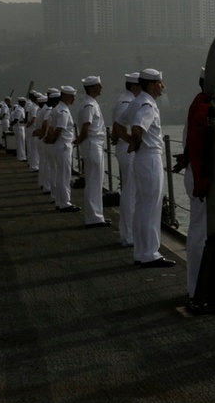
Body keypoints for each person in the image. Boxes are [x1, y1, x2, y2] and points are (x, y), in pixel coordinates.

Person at [176, 68, 215, 304]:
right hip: (201, 178)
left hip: (199, 175)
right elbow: (201, 150)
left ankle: (199, 286)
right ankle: (198, 288)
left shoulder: (199, 106)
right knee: (199, 233)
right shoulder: (205, 111)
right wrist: (204, 182)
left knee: (198, 231)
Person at [128, 68, 174, 267]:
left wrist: (133, 143)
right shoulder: (147, 104)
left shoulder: (137, 101)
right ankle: (150, 253)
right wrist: (136, 142)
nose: (162, 86)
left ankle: (140, 252)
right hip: (150, 157)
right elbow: (138, 127)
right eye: (160, 83)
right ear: (152, 85)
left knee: (141, 207)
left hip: (142, 158)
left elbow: (121, 122)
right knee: (151, 207)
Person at [74, 76, 111, 228]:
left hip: (94, 144)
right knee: (94, 181)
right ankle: (93, 217)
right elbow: (86, 127)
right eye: (98, 86)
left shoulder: (90, 103)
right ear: (90, 88)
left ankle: (97, 215)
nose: (101, 88)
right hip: (92, 144)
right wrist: (78, 140)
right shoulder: (89, 105)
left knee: (95, 181)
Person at [112, 73, 142, 247]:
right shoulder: (127, 101)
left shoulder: (126, 99)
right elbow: (119, 126)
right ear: (134, 86)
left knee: (130, 191)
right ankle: (128, 235)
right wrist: (133, 142)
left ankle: (129, 233)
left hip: (125, 147)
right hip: (128, 149)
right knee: (130, 193)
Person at [45, 86, 79, 212]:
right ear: (65, 96)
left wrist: (52, 141)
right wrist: (53, 140)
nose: (74, 99)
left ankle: (60, 201)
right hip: (63, 145)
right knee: (64, 175)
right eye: (72, 96)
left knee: (60, 174)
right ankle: (65, 202)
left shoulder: (57, 109)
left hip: (59, 145)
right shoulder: (63, 111)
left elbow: (51, 128)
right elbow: (59, 129)